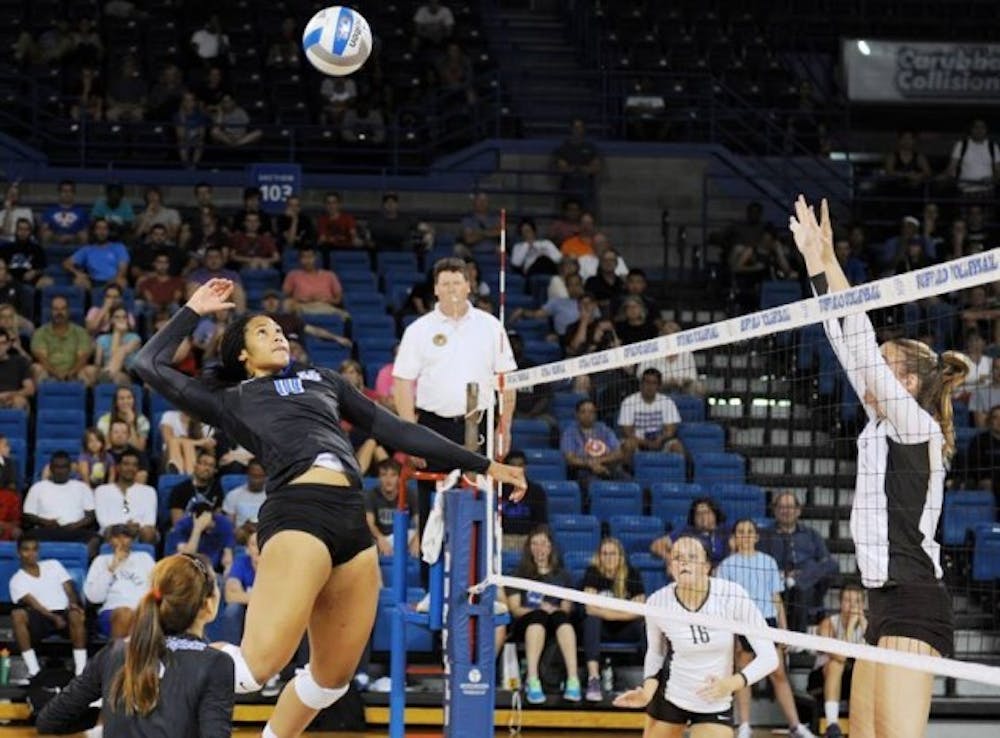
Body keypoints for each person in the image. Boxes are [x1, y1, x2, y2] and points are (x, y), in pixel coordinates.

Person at [133, 277, 526, 738]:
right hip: (299, 512)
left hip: (349, 519)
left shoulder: (324, 380)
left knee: (331, 679)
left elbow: (396, 429)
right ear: (241, 354)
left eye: (279, 329)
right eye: (263, 331)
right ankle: (136, 672)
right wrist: (194, 308)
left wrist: (484, 465)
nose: (278, 334)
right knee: (254, 669)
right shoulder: (228, 399)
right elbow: (148, 363)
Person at [789, 195, 970, 738]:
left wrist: (832, 262)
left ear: (908, 384)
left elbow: (861, 342)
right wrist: (816, 260)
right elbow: (842, 336)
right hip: (880, 603)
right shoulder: (878, 427)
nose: (870, 374)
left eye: (888, 370)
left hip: (914, 601)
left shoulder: (917, 428)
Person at [393, 257, 517, 593]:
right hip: (433, 426)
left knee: (481, 503)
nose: (450, 289)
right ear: (435, 289)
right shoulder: (419, 330)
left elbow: (508, 381)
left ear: (469, 285)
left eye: (456, 282)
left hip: (479, 424)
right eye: (444, 283)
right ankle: (431, 593)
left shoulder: (490, 326)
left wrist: (504, 429)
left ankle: (481, 585)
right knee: (431, 510)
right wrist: (409, 438)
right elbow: (402, 383)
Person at [36, 553, 234, 737]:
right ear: (207, 605)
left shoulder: (114, 652)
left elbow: (49, 720)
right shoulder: (216, 663)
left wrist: (111, 711)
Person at [612, 536, 779, 736]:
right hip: (671, 695)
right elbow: (656, 653)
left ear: (706, 566)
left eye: (692, 556)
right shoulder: (657, 602)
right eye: (677, 557)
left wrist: (730, 684)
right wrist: (647, 691)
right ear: (670, 568)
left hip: (714, 701)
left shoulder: (732, 595)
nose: (683, 562)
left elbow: (769, 658)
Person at [718, 519, 815, 738]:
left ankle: (795, 726)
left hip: (767, 621)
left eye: (749, 531)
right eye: (740, 531)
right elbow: (723, 604)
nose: (745, 535)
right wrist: (731, 634)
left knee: (778, 673)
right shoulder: (727, 565)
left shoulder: (768, 562)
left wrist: (784, 629)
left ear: (756, 536)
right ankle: (744, 725)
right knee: (744, 672)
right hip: (740, 623)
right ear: (735, 537)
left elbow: (776, 598)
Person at [507, 525, 581, 704]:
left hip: (555, 621)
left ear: (550, 548)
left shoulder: (562, 576)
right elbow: (515, 608)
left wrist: (552, 610)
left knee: (561, 617)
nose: (539, 548)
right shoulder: (519, 574)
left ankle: (573, 679)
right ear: (529, 548)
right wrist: (539, 609)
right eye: (535, 543)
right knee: (539, 615)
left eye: (543, 543)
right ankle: (533, 680)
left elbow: (567, 608)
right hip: (528, 621)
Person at [9, 532, 89, 679]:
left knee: (76, 614)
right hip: (41, 616)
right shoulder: (17, 580)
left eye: (35, 549)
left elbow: (68, 586)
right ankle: (34, 670)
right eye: (26, 549)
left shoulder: (53, 565)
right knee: (17, 615)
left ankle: (81, 670)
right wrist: (53, 618)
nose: (31, 553)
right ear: (19, 553)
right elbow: (34, 604)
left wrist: (73, 603)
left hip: (64, 612)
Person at [756, 491, 838, 633]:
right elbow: (759, 562)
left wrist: (800, 577)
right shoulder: (765, 535)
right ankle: (798, 641)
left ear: (798, 511)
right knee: (800, 590)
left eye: (790, 507)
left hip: (808, 584)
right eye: (781, 507)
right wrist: (780, 576)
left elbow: (827, 563)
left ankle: (797, 582)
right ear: (775, 511)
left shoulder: (811, 534)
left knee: (830, 566)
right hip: (777, 585)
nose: (786, 511)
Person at [580, 537, 645, 702]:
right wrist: (623, 610)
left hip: (626, 629)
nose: (609, 557)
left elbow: (640, 609)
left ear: (621, 556)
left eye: (613, 553)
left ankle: (652, 681)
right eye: (605, 553)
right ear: (599, 556)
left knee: (646, 625)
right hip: (602, 630)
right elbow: (589, 608)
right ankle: (593, 679)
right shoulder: (593, 573)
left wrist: (606, 610)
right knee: (591, 620)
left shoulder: (632, 574)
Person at [83, 523, 156, 638]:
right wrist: (111, 568)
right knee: (124, 615)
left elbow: (155, 588)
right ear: (109, 541)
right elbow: (94, 598)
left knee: (134, 617)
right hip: (111, 611)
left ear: (132, 540)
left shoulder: (144, 558)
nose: (121, 541)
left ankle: (117, 653)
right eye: (116, 537)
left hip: (140, 611)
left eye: (126, 537)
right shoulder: (101, 561)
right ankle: (122, 653)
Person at [23, 451, 98, 549]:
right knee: (27, 539)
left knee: (95, 540)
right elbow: (28, 514)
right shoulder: (38, 487)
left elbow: (91, 515)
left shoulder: (82, 487)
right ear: (51, 468)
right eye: (57, 467)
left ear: (70, 469)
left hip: (74, 530)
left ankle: (83, 563)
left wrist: (75, 525)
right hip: (46, 530)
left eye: (64, 467)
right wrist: (45, 522)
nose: (60, 471)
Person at [617, 368, 683, 461]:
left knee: (677, 447)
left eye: (654, 383)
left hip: (661, 442)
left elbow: (670, 431)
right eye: (647, 382)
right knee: (627, 445)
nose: (650, 386)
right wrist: (645, 443)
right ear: (641, 384)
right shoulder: (628, 402)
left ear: (659, 386)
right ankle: (631, 474)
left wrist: (660, 440)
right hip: (637, 442)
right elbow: (627, 432)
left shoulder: (667, 402)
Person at [93, 449, 158, 544]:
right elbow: (103, 521)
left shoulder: (148, 491)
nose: (130, 468)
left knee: (149, 532)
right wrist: (124, 527)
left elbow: (150, 521)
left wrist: (135, 527)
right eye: (126, 464)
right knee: (110, 531)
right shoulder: (102, 490)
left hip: (138, 531)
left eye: (134, 465)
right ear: (118, 467)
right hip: (112, 531)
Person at [650, 497, 728, 567]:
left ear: (715, 514)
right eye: (698, 514)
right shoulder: (686, 532)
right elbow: (656, 546)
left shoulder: (725, 531)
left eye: (707, 512)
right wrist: (669, 559)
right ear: (693, 518)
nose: (703, 517)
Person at [364, 458, 418, 558]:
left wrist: (417, 538)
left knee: (423, 537)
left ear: (399, 477)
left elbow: (419, 521)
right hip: (380, 537)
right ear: (379, 477)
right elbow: (370, 524)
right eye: (384, 475)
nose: (388, 480)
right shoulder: (371, 495)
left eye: (393, 475)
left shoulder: (409, 493)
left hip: (403, 536)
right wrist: (380, 538)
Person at [170, 498, 236, 573]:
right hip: (187, 570)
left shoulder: (224, 523)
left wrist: (227, 572)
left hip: (213, 570)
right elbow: (186, 557)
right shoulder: (183, 525)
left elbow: (227, 557)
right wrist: (197, 529)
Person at [222, 531, 259, 645]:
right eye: (253, 544)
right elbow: (230, 596)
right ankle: (231, 652)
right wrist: (262, 599)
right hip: (246, 607)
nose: (258, 548)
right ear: (247, 548)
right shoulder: (241, 561)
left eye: (262, 543)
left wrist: (243, 595)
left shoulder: (276, 563)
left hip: (270, 610)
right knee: (232, 609)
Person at [168, 451, 223, 524]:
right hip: (185, 530)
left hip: (209, 530)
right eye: (204, 464)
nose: (207, 468)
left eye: (211, 465)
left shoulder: (217, 489)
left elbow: (218, 519)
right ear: (195, 465)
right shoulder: (180, 489)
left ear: (214, 470)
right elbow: (177, 523)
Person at [222, 457, 267, 544]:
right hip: (241, 537)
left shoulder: (271, 496)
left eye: (260, 477)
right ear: (247, 474)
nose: (256, 481)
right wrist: (245, 527)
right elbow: (228, 527)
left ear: (266, 476)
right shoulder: (233, 495)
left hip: (264, 536)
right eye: (253, 476)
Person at [97, 385, 150, 454]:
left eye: (129, 398)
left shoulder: (142, 421)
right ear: (116, 402)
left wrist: (131, 425)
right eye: (121, 398)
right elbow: (106, 448)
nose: (126, 401)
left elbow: (139, 449)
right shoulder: (104, 421)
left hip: (133, 458)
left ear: (134, 400)